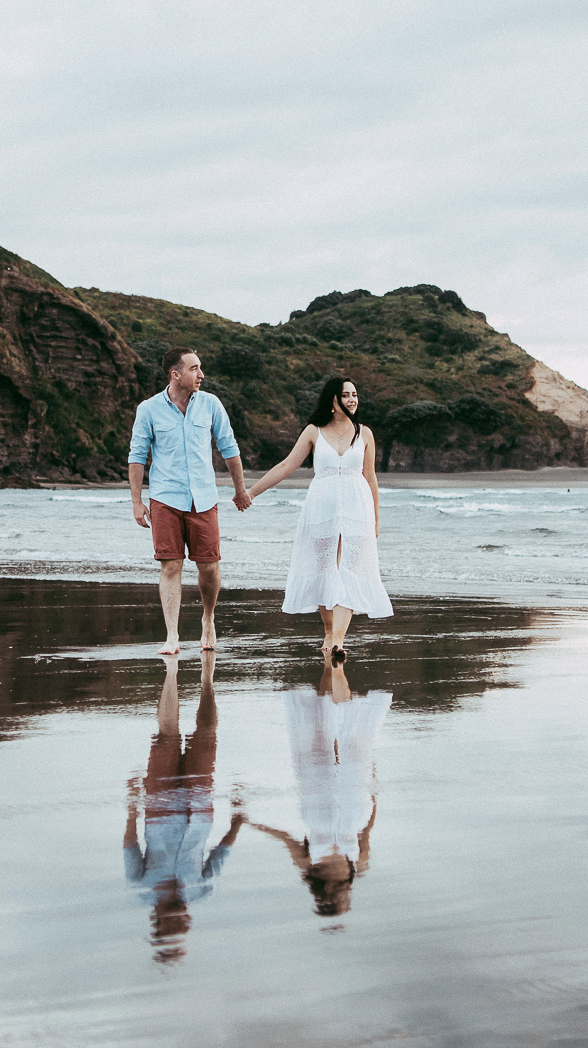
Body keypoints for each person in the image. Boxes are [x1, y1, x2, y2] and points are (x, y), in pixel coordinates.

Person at [244, 376, 392, 659]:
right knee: (325, 569)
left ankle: (338, 641)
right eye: (346, 395)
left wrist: (375, 519)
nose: (352, 400)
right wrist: (252, 492)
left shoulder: (365, 434)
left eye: (355, 394)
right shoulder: (314, 431)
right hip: (321, 510)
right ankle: (328, 631)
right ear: (333, 400)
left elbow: (370, 479)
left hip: (356, 511)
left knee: (347, 570)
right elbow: (287, 465)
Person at [123, 653, 245, 963]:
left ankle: (172, 672)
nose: (183, 923)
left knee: (166, 738)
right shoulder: (201, 891)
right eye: (184, 930)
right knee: (207, 738)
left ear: (159, 925)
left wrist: (133, 805)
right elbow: (219, 857)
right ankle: (207, 681)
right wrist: (237, 822)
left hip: (161, 806)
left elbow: (130, 846)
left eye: (174, 928)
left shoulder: (141, 889)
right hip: (199, 807)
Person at [129, 346, 251, 655]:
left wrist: (240, 490)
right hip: (165, 498)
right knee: (170, 565)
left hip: (204, 498)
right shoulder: (148, 409)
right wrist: (136, 501)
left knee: (209, 568)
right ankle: (172, 636)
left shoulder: (210, 404)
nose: (201, 374)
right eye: (195, 368)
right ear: (176, 374)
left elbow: (229, 449)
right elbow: (137, 456)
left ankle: (208, 618)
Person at [248, 657, 390, 918]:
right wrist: (373, 789)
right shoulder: (357, 866)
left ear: (328, 897)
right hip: (355, 799)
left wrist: (251, 822)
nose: (348, 900)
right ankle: (336, 669)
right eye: (347, 902)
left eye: (343, 903)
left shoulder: (309, 866)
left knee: (316, 735)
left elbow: (286, 838)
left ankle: (330, 668)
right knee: (354, 738)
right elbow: (368, 831)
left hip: (316, 795)